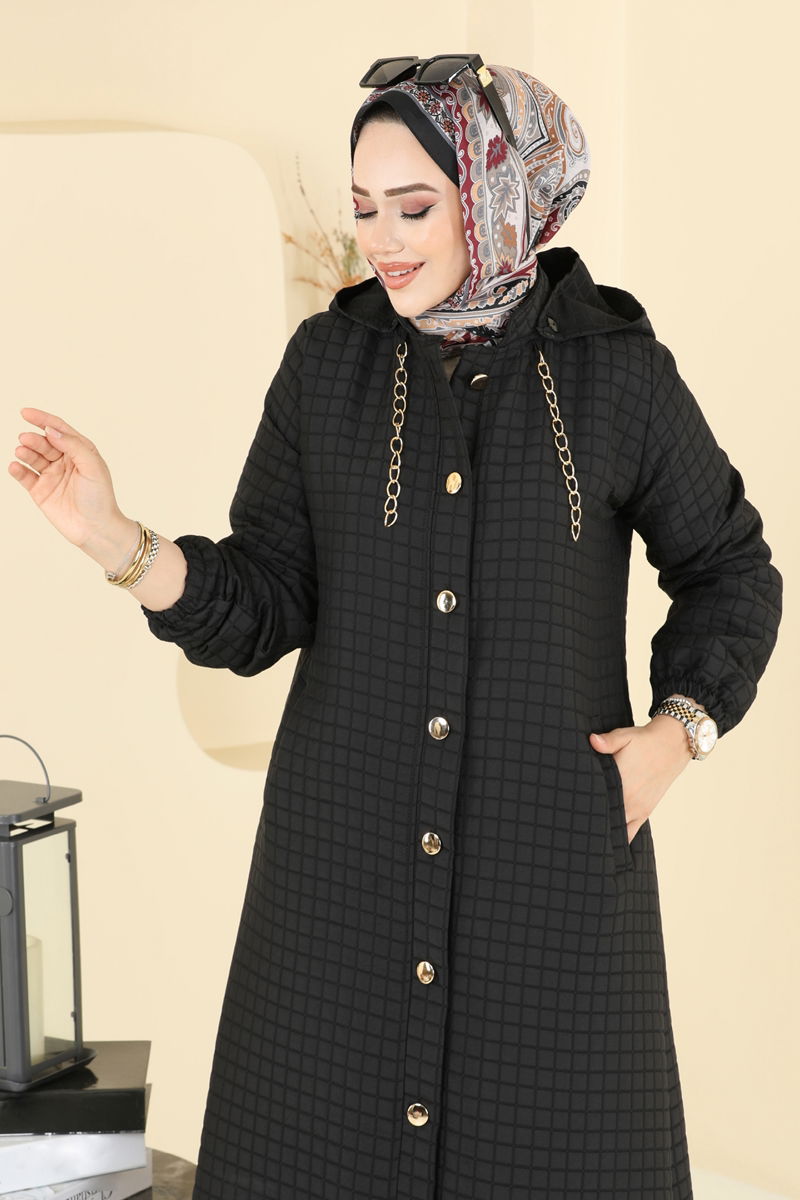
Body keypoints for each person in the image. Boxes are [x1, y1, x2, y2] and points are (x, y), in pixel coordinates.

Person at [8, 56, 782, 1200]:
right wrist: (115, 538)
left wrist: (677, 732)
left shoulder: (613, 377)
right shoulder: (329, 368)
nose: (381, 241)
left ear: (496, 197)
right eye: (364, 208)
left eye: (413, 208)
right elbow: (263, 603)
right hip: (341, 886)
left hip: (546, 884)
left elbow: (729, 570)